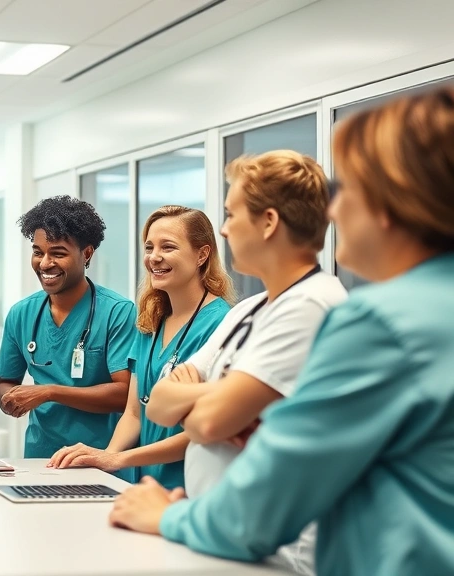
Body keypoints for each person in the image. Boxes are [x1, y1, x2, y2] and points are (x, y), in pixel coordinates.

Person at [110, 86, 454, 576]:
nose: (332, 213)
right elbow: (180, 411)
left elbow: (259, 503)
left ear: (392, 202)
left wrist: (168, 515)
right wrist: (227, 403)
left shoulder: (378, 322)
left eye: (348, 190)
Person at [139, 151, 346, 576]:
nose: (226, 231)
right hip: (219, 532)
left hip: (279, 553)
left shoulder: (311, 305)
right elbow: (159, 404)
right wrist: (227, 395)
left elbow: (208, 425)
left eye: (231, 215)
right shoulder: (248, 310)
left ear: (268, 222)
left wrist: (204, 409)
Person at [49, 206, 234, 489]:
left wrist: (120, 460)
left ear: (202, 255)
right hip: (142, 484)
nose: (154, 257)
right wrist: (104, 457)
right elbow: (135, 412)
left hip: (189, 486)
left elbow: (207, 429)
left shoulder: (222, 324)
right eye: (149, 247)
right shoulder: (151, 321)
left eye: (168, 247)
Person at [0, 195, 136, 460]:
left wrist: (48, 392)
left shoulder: (117, 311)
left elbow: (124, 394)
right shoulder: (22, 314)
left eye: (58, 253)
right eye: (38, 252)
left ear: (87, 253)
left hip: (99, 457)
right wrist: (11, 398)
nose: (45, 263)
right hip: (40, 458)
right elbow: (6, 382)